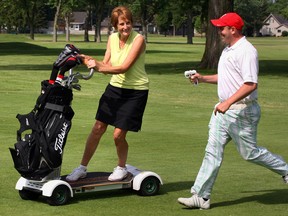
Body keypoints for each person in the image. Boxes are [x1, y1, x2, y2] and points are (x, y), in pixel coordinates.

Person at [177, 12, 288, 210]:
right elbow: (226, 77)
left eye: (222, 28)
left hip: (242, 111)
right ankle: (201, 196)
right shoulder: (229, 49)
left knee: (250, 153)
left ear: (233, 30)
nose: (219, 31)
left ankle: (286, 170)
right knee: (212, 151)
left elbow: (250, 84)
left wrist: (227, 103)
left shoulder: (246, 51)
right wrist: (202, 78)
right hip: (224, 111)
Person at [66, 6, 149, 182]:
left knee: (118, 134)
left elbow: (123, 68)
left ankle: (121, 167)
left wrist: (98, 65)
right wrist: (86, 59)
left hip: (135, 92)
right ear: (114, 25)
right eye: (121, 24)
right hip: (114, 89)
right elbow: (106, 66)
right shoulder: (112, 38)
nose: (125, 27)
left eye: (128, 23)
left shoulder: (139, 40)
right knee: (98, 128)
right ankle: (82, 168)